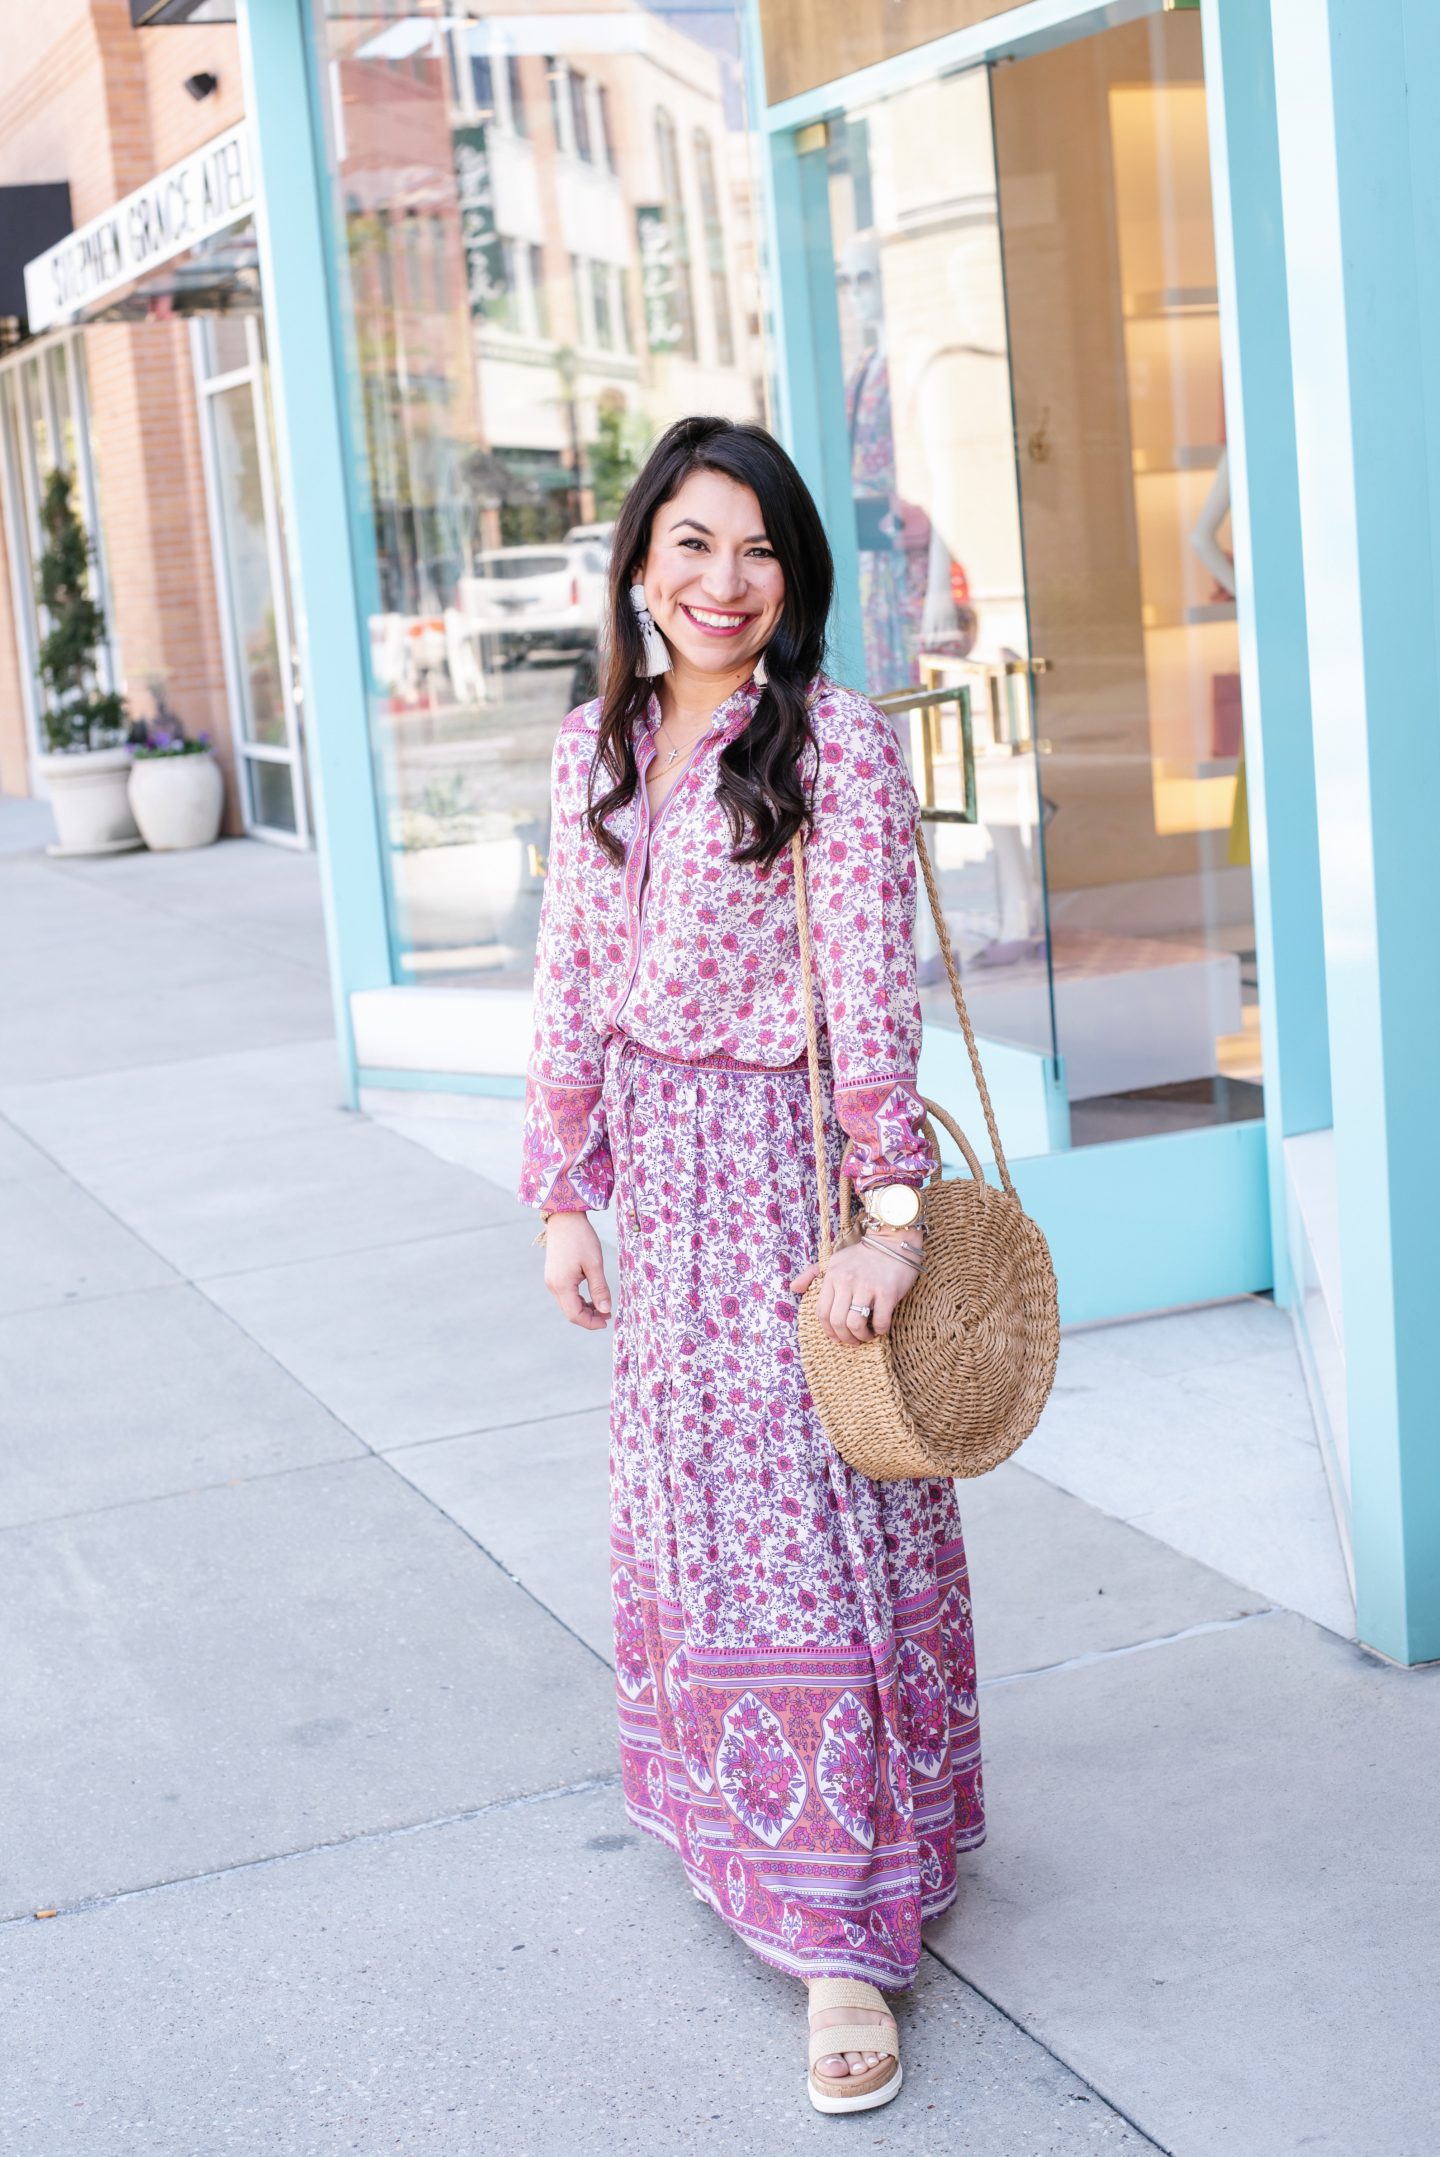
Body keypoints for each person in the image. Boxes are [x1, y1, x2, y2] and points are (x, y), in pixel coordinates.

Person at [519, 416, 983, 2116]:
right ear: (640, 560)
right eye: (694, 544)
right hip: (662, 1182)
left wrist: (888, 1214)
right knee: (700, 1520)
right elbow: (570, 975)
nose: (726, 582)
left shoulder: (836, 743)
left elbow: (872, 986)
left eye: (761, 549)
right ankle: (738, 1820)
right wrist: (565, 1191)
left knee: (816, 1529)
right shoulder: (596, 744)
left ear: (798, 576)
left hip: (788, 1176)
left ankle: (846, 1933)